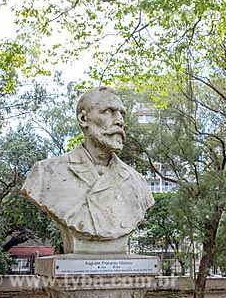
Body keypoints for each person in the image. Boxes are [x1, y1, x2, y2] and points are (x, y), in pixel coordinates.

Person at [21, 86, 154, 253]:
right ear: (84, 119)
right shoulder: (46, 174)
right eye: (109, 111)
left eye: (122, 114)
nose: (120, 120)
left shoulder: (138, 183)